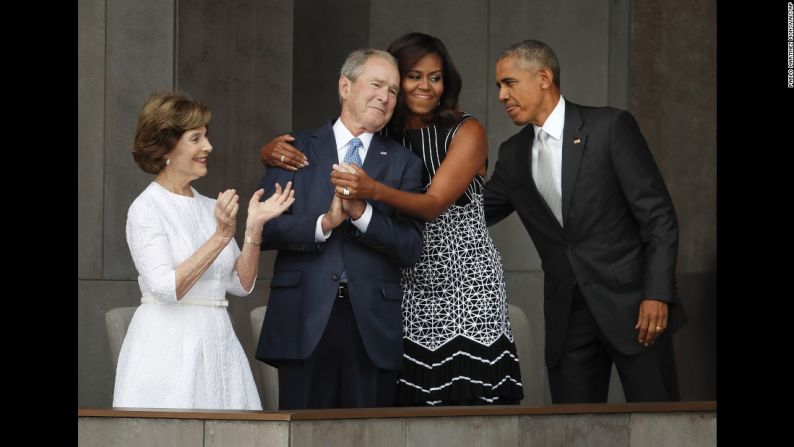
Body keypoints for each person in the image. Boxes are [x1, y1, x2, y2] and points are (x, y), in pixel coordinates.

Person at [261, 33, 524, 406]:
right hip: (405, 291)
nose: (424, 86)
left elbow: (431, 205)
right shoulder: (375, 131)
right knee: (412, 398)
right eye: (412, 77)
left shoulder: (459, 133)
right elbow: (272, 217)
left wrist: (368, 197)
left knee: (464, 396)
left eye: (434, 77)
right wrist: (269, 154)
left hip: (462, 279)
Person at [484, 39, 686, 403]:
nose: (501, 95)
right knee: (572, 430)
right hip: (568, 317)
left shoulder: (610, 127)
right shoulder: (513, 154)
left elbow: (658, 217)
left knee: (659, 425)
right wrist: (392, 204)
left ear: (544, 77)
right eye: (499, 85)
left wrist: (657, 293)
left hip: (634, 307)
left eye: (509, 83)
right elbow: (475, 212)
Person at [253, 49, 425, 410]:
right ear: (345, 87)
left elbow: (411, 248)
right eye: (377, 84)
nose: (385, 96)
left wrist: (362, 213)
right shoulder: (293, 150)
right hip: (303, 318)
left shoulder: (405, 162)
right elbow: (265, 231)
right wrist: (323, 224)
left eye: (393, 91)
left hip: (372, 325)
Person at [113, 92, 295, 410]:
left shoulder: (210, 206)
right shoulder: (146, 209)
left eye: (206, 137)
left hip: (219, 342)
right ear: (166, 146)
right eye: (195, 138)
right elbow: (166, 288)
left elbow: (242, 284)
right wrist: (220, 236)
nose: (208, 147)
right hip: (168, 350)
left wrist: (252, 228)